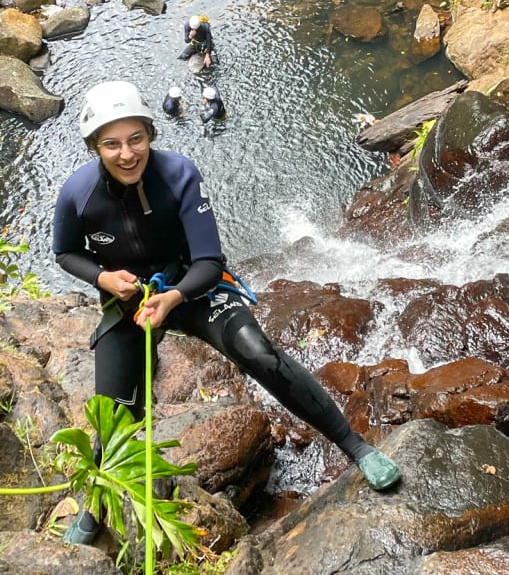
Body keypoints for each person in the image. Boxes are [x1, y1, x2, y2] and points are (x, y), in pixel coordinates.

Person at [52, 81, 401, 544]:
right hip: (130, 299)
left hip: (191, 288)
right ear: (95, 147)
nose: (127, 153)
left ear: (150, 134)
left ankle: (354, 446)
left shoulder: (179, 175)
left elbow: (209, 262)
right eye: (111, 144)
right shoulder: (77, 193)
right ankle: (96, 505)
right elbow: (65, 253)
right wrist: (104, 279)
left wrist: (173, 297)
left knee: (258, 351)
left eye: (136, 138)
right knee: (115, 410)